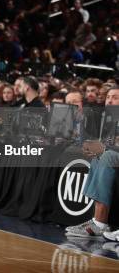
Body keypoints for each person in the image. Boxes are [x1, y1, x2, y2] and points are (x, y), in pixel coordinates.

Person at [66, 87, 119, 239]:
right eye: (108, 97)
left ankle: (100, 223)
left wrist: (104, 147)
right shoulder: (111, 118)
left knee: (107, 156)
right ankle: (97, 222)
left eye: (115, 97)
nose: (109, 100)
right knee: (98, 156)